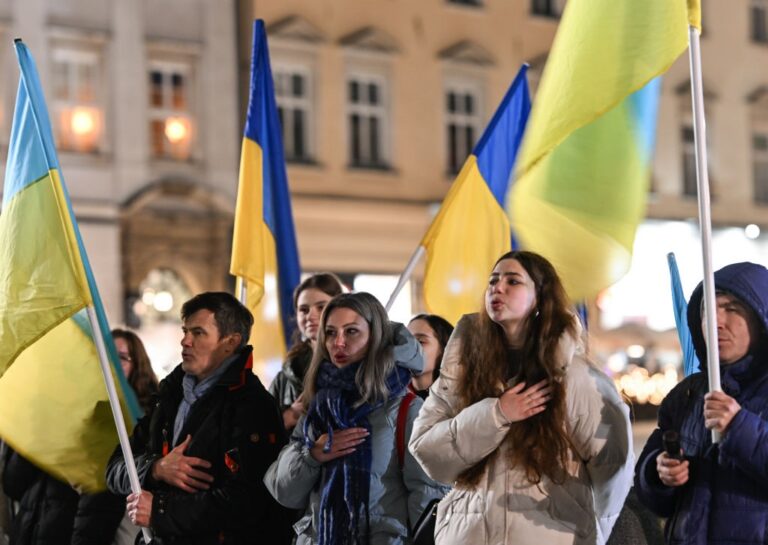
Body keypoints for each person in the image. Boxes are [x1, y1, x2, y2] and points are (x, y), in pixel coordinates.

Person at [409, 250, 633, 545]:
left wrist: (595, 535)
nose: (497, 288)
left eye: (513, 281)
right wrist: (497, 414)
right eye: (493, 281)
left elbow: (614, 467)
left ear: (540, 298)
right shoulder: (464, 371)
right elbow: (427, 451)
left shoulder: (575, 376)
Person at [106, 292, 291, 545]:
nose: (185, 341)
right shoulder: (169, 394)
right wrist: (156, 468)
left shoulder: (252, 405)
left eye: (198, 333)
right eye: (185, 331)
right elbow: (115, 468)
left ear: (230, 342)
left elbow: (251, 501)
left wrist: (161, 511)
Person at [264, 292, 447, 544]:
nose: (338, 343)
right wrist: (312, 455)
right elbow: (283, 492)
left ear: (376, 338)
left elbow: (428, 497)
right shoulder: (319, 406)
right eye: (330, 333)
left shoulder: (407, 408)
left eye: (351, 332)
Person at [635, 261, 768, 544]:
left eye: (732, 309)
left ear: (761, 317)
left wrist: (739, 427)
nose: (717, 321)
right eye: (708, 308)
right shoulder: (688, 394)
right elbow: (651, 495)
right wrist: (659, 473)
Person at [73, 330, 160, 545]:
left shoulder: (154, 412)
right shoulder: (91, 408)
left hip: (127, 515)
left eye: (121, 357)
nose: (113, 362)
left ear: (137, 364)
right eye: (107, 354)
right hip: (90, 510)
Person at [270, 273, 345, 431]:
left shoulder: (356, 365)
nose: (310, 316)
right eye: (303, 309)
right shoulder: (285, 375)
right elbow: (258, 435)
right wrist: (289, 415)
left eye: (321, 307)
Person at [406, 314, 453, 399]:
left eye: (420, 341)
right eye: (404, 340)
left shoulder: (461, 399)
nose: (408, 347)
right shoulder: (389, 396)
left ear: (444, 349)